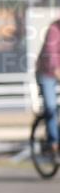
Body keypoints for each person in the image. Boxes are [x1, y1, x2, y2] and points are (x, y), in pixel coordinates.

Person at [36, 17, 60, 159]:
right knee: (50, 107)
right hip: (47, 73)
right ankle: (53, 143)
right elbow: (51, 53)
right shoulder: (54, 30)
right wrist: (56, 69)